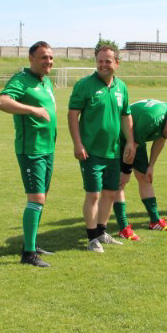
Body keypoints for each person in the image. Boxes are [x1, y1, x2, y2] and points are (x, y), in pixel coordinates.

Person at [0, 41, 58, 267]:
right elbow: (2, 101)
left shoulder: (45, 81)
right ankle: (28, 254)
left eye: (50, 57)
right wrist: (32, 109)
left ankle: (31, 243)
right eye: (43, 57)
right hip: (31, 149)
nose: (48, 61)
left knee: (42, 197)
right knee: (36, 198)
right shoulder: (21, 79)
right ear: (31, 59)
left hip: (47, 148)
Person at [68, 43, 134, 252]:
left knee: (111, 193)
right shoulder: (84, 85)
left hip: (113, 151)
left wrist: (130, 141)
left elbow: (126, 116)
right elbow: (73, 115)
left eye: (108, 61)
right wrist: (78, 143)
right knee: (94, 195)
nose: (103, 65)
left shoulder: (121, 87)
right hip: (91, 152)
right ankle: (91, 239)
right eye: (100, 61)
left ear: (117, 63)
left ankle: (101, 232)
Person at [115, 99, 167, 237]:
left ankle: (155, 221)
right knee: (120, 182)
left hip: (136, 137)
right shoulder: (151, 121)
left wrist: (151, 165)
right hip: (118, 135)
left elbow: (161, 139)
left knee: (145, 177)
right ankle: (123, 227)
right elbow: (131, 148)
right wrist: (126, 172)